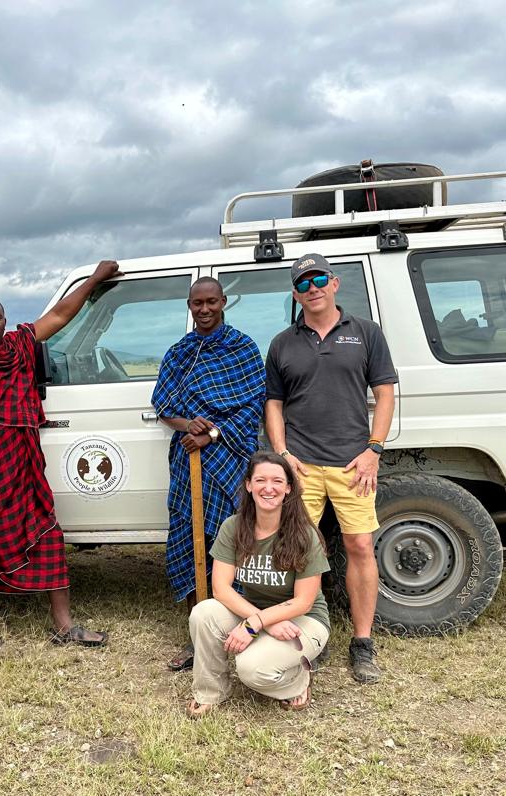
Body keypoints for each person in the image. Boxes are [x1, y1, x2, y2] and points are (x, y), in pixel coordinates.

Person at [0, 261, 121, 648]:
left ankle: (63, 625)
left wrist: (95, 279)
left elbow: (59, 315)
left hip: (24, 469)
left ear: (6, 321)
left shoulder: (19, 346)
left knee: (48, 534)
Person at [264, 253, 397, 684]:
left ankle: (362, 643)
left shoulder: (365, 333)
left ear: (335, 283)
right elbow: (274, 403)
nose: (312, 287)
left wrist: (374, 449)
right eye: (303, 283)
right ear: (295, 293)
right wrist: (283, 454)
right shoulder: (283, 342)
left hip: (352, 463)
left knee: (359, 547)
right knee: (304, 551)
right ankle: (315, 634)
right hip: (301, 465)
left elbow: (384, 392)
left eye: (319, 278)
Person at [152, 277, 264, 671]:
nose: (204, 310)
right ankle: (197, 635)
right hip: (188, 462)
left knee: (231, 542)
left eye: (211, 302)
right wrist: (190, 427)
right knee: (189, 539)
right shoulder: (179, 353)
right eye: (197, 303)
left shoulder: (242, 348)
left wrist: (212, 433)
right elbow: (164, 407)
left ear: (223, 302)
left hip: (229, 461)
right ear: (189, 304)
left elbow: (254, 408)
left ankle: (237, 630)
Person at [187, 451, 330, 716]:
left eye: (277, 481)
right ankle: (211, 691)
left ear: (288, 488)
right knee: (203, 613)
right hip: (258, 613)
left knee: (251, 670)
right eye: (261, 480)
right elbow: (221, 589)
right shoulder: (234, 527)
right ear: (248, 485)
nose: (268, 488)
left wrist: (256, 623)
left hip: (303, 620)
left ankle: (297, 680)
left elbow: (304, 601)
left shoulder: (304, 534)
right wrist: (263, 621)